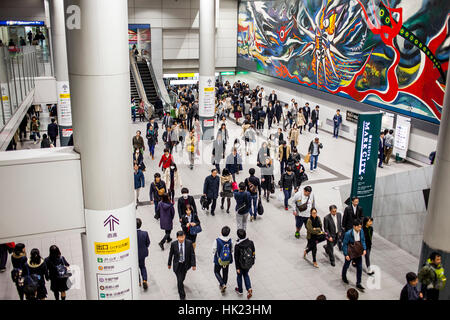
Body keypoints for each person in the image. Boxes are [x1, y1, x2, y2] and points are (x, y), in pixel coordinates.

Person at [168, 231, 196, 300]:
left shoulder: (189, 243)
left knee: (182, 278)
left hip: (185, 265)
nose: (181, 239)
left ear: (185, 236)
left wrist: (193, 264)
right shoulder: (173, 244)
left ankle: (180, 283)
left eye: (183, 237)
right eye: (180, 237)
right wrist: (169, 263)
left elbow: (192, 254)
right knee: (179, 280)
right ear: (177, 237)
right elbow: (171, 254)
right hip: (177, 265)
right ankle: (182, 296)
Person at [342, 220, 367, 291]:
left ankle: (358, 283)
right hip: (350, 252)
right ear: (354, 226)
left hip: (358, 251)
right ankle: (344, 276)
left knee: (359, 267)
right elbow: (345, 244)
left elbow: (363, 240)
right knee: (346, 265)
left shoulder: (361, 231)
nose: (360, 229)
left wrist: (364, 249)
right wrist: (346, 254)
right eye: (358, 227)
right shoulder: (348, 234)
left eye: (360, 227)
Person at [234, 229, 255, 299]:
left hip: (240, 265)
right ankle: (249, 289)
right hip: (248, 264)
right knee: (246, 275)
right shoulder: (251, 242)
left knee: (239, 277)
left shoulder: (237, 246)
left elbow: (236, 258)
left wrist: (237, 268)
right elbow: (253, 253)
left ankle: (240, 291)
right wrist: (252, 261)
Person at [213, 226, 233, 293]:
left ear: (221, 232)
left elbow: (214, 250)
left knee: (216, 271)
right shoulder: (230, 240)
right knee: (225, 272)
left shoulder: (217, 240)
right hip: (227, 259)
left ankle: (222, 283)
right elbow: (232, 250)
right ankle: (224, 285)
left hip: (219, 260)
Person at [136, 218, 150, 290]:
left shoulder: (131, 235)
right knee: (142, 266)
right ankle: (144, 280)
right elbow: (148, 243)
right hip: (142, 253)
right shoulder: (145, 233)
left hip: (134, 255)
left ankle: (138, 281)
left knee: (136, 268)